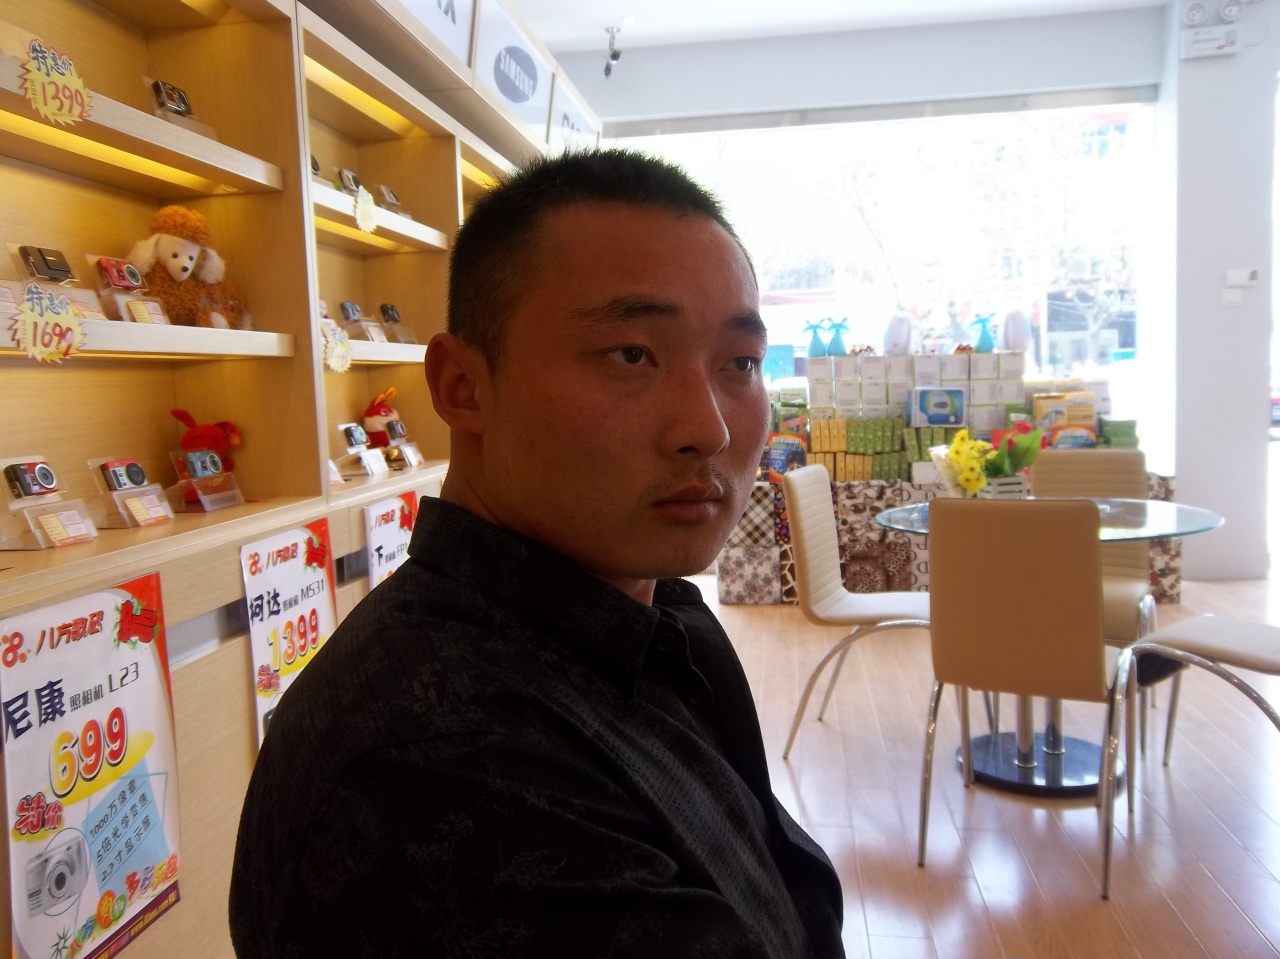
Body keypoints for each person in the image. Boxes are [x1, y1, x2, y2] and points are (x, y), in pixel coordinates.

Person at [229, 149, 845, 958]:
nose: (711, 427)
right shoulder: (445, 767)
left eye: (740, 363)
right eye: (632, 354)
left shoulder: (648, 613)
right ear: (462, 387)